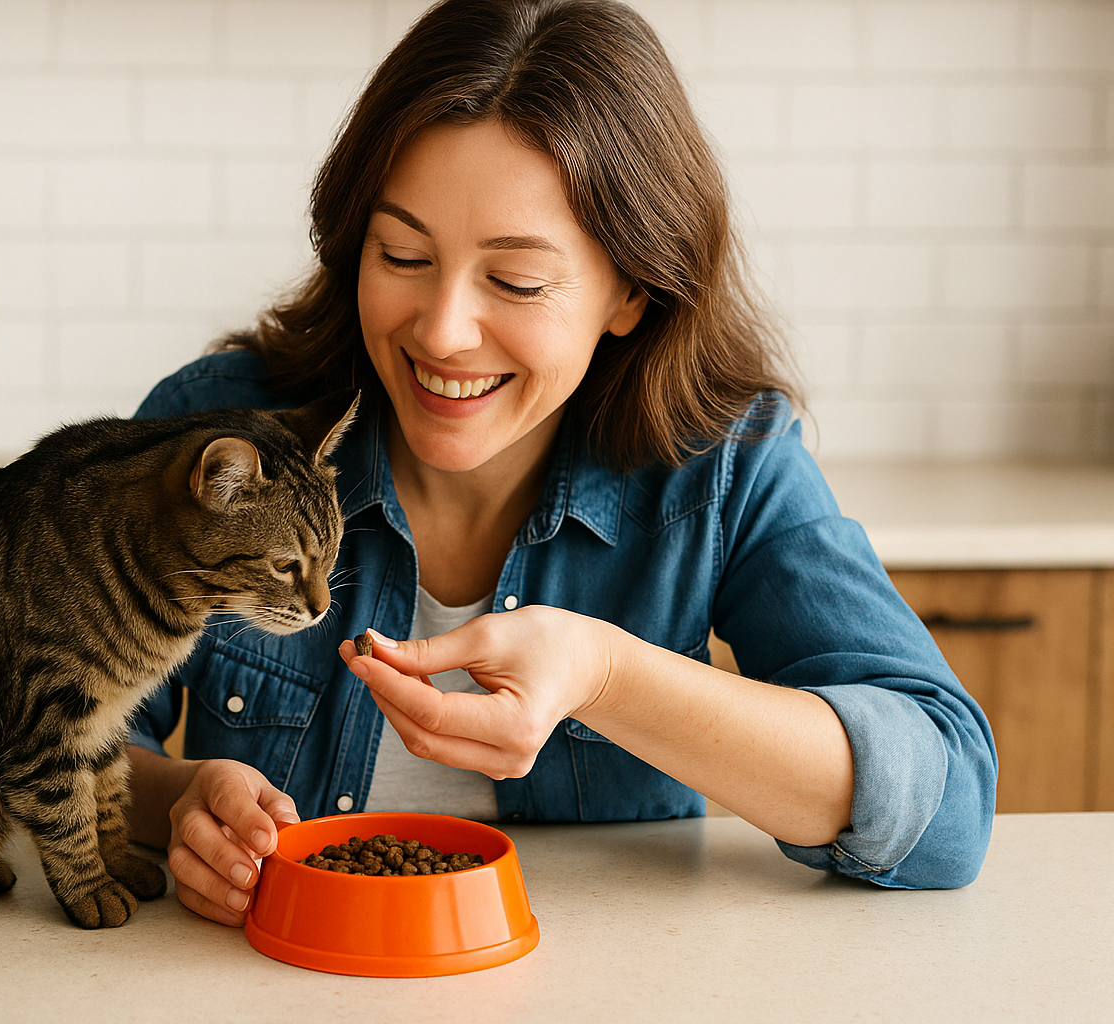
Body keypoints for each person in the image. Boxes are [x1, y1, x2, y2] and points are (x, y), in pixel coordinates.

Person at [125, 0, 996, 927]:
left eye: (516, 281)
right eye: (404, 253)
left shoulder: (722, 465)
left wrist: (607, 676)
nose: (443, 332)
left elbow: (947, 814)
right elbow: (38, 732)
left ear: (628, 290)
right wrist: (177, 798)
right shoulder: (220, 435)